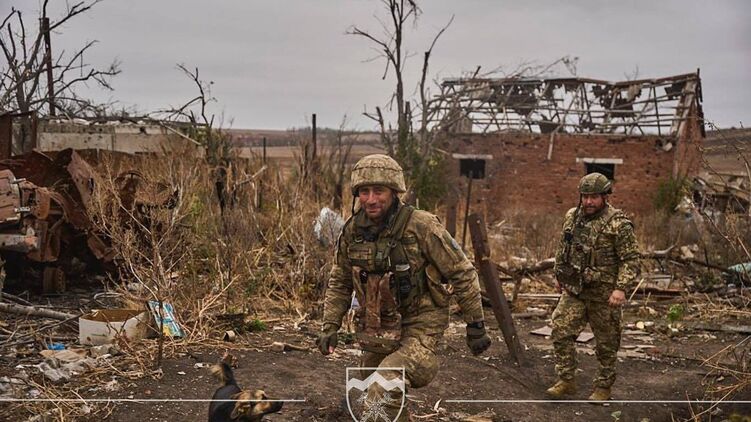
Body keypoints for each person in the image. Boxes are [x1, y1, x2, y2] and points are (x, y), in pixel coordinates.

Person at [317, 154, 491, 421]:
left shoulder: (421, 225)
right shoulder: (353, 231)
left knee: (383, 385)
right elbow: (340, 280)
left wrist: (475, 324)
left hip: (421, 327)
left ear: (394, 192)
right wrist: (330, 326)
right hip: (381, 325)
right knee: (369, 379)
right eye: (364, 191)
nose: (371, 199)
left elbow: (462, 272)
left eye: (379, 191)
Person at [546, 172, 640, 401]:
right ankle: (566, 380)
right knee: (560, 331)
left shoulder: (619, 224)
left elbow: (631, 260)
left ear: (605, 197)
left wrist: (621, 288)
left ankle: (603, 387)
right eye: (585, 196)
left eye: (594, 197)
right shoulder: (572, 216)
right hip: (575, 291)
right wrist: (560, 274)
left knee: (607, 344)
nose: (588, 201)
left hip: (604, 295)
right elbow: (563, 247)